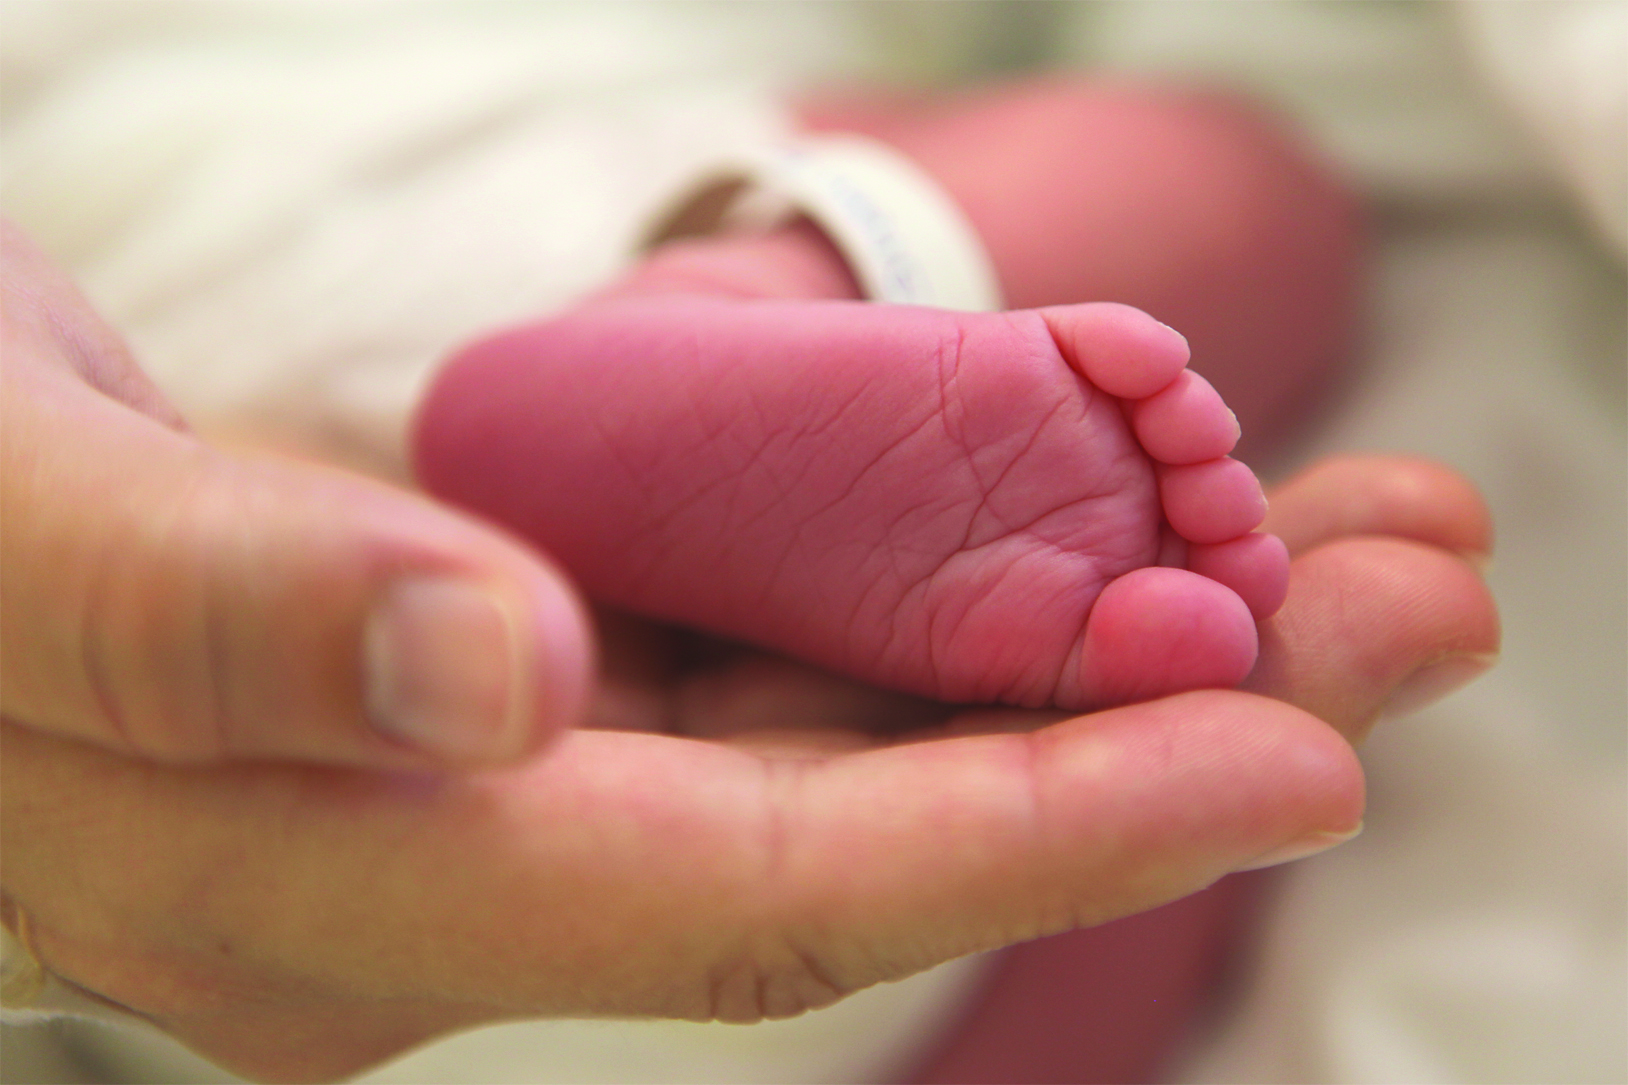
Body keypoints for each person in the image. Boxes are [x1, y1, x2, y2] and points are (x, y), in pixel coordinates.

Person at [0, 73, 1498, 1085]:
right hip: (326, 239)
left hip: (280, 899)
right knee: (1246, 183)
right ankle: (760, 289)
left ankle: (789, 314)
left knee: (1034, 946)